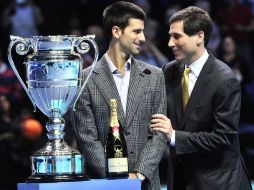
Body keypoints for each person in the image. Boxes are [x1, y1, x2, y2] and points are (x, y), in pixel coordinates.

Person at [150, 6, 252, 190]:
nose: (170, 43)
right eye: (170, 36)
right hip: (180, 179)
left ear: (199, 36)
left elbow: (223, 137)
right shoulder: (169, 70)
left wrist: (174, 136)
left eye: (177, 36)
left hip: (218, 183)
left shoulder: (225, 79)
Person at [71, 1, 167, 190]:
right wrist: (118, 177)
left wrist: (139, 174)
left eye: (143, 31)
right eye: (137, 31)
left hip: (146, 183)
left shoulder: (154, 75)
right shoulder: (85, 78)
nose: (143, 38)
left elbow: (158, 133)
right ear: (116, 31)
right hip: (104, 183)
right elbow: (87, 137)